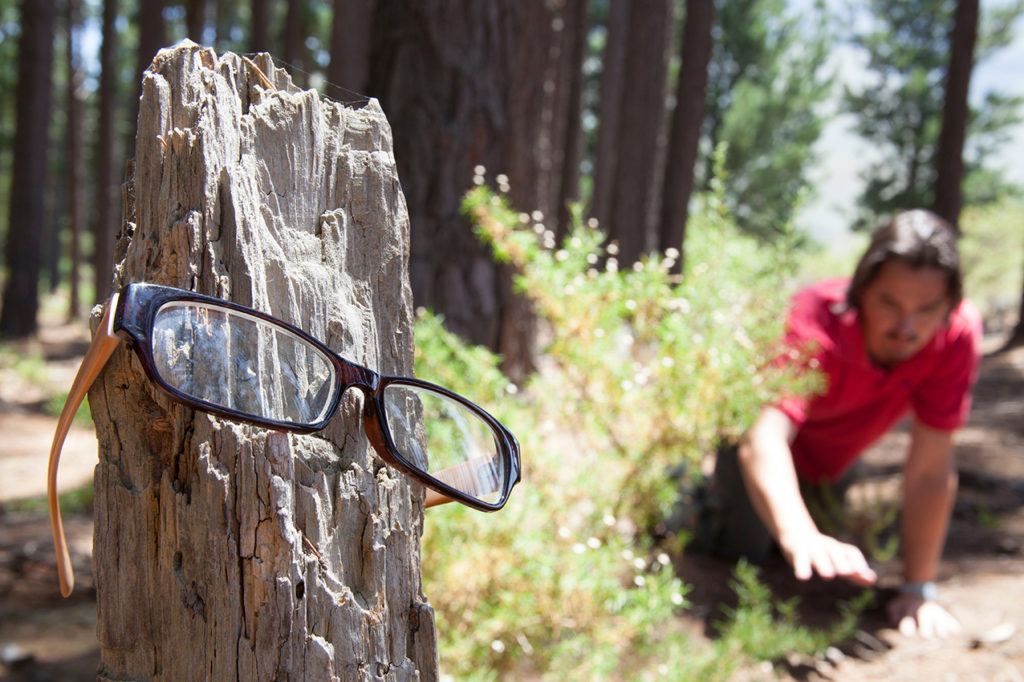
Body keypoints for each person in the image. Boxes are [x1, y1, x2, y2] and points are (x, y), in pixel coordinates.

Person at [700, 209, 982, 639]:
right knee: (745, 553)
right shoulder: (814, 317)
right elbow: (764, 437)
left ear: (949, 305)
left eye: (927, 309)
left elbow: (930, 469)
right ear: (862, 290)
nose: (907, 328)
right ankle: (692, 492)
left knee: (826, 564)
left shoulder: (957, 336)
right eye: (890, 304)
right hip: (759, 457)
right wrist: (798, 533)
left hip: (833, 466)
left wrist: (917, 588)